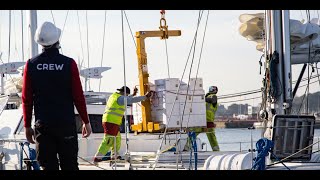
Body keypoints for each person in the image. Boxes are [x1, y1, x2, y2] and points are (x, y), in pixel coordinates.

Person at [22, 21, 92, 170]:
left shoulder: (31, 64)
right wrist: (86, 121)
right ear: (57, 40)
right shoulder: (69, 64)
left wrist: (27, 125)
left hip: (43, 126)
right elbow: (78, 96)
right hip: (65, 125)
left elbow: (26, 99)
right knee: (70, 166)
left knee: (48, 166)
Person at [93, 86, 152, 162]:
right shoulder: (120, 99)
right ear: (124, 93)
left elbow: (127, 99)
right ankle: (98, 157)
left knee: (117, 138)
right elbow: (130, 100)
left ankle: (115, 156)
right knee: (109, 140)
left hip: (112, 121)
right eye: (127, 95)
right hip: (111, 121)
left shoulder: (115, 96)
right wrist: (145, 97)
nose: (127, 96)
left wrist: (133, 94)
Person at [185, 86, 220, 151]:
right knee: (195, 133)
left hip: (206, 121)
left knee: (196, 133)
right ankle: (186, 147)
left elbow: (213, 100)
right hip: (203, 120)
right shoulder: (205, 98)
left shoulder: (213, 96)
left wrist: (202, 98)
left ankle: (186, 146)